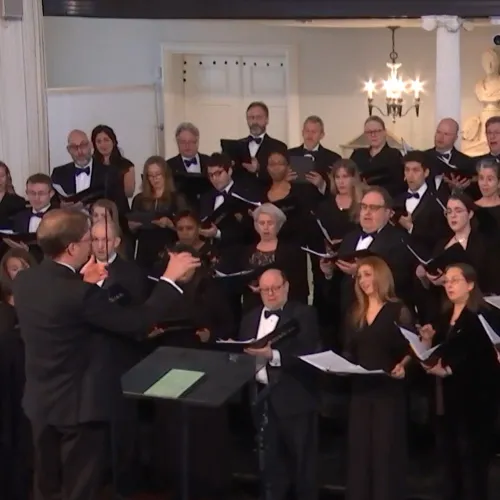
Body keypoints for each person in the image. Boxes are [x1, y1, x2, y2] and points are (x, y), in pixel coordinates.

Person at [12, 208, 200, 500]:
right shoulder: (80, 294)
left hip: (41, 402)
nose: (93, 246)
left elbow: (61, 309)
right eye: (88, 240)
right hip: (79, 408)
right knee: (80, 489)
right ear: (72, 247)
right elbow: (136, 322)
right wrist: (170, 279)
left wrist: (82, 281)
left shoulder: (25, 282)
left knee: (46, 486)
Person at [419, 263, 499, 500]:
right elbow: (435, 353)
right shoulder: (443, 318)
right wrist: (426, 342)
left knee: (473, 469)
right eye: (447, 281)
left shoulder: (484, 316)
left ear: (471, 284)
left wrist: (452, 368)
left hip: (473, 404)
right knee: (449, 466)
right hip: (445, 402)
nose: (449, 285)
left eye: (455, 280)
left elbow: (484, 357)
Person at [240, 268, 320, 500]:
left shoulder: (304, 314)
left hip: (295, 400)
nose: (271, 293)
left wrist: (272, 355)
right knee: (270, 467)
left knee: (302, 467)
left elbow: (307, 351)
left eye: (275, 288)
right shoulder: (249, 319)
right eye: (265, 289)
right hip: (261, 398)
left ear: (286, 287)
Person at [343, 256, 413, 500]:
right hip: (361, 390)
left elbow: (411, 349)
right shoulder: (356, 312)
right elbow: (349, 349)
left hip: (387, 391)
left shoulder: (398, 310)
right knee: (360, 453)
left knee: (385, 453)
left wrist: (403, 366)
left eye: (368, 274)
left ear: (381, 276)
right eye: (359, 276)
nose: (363, 280)